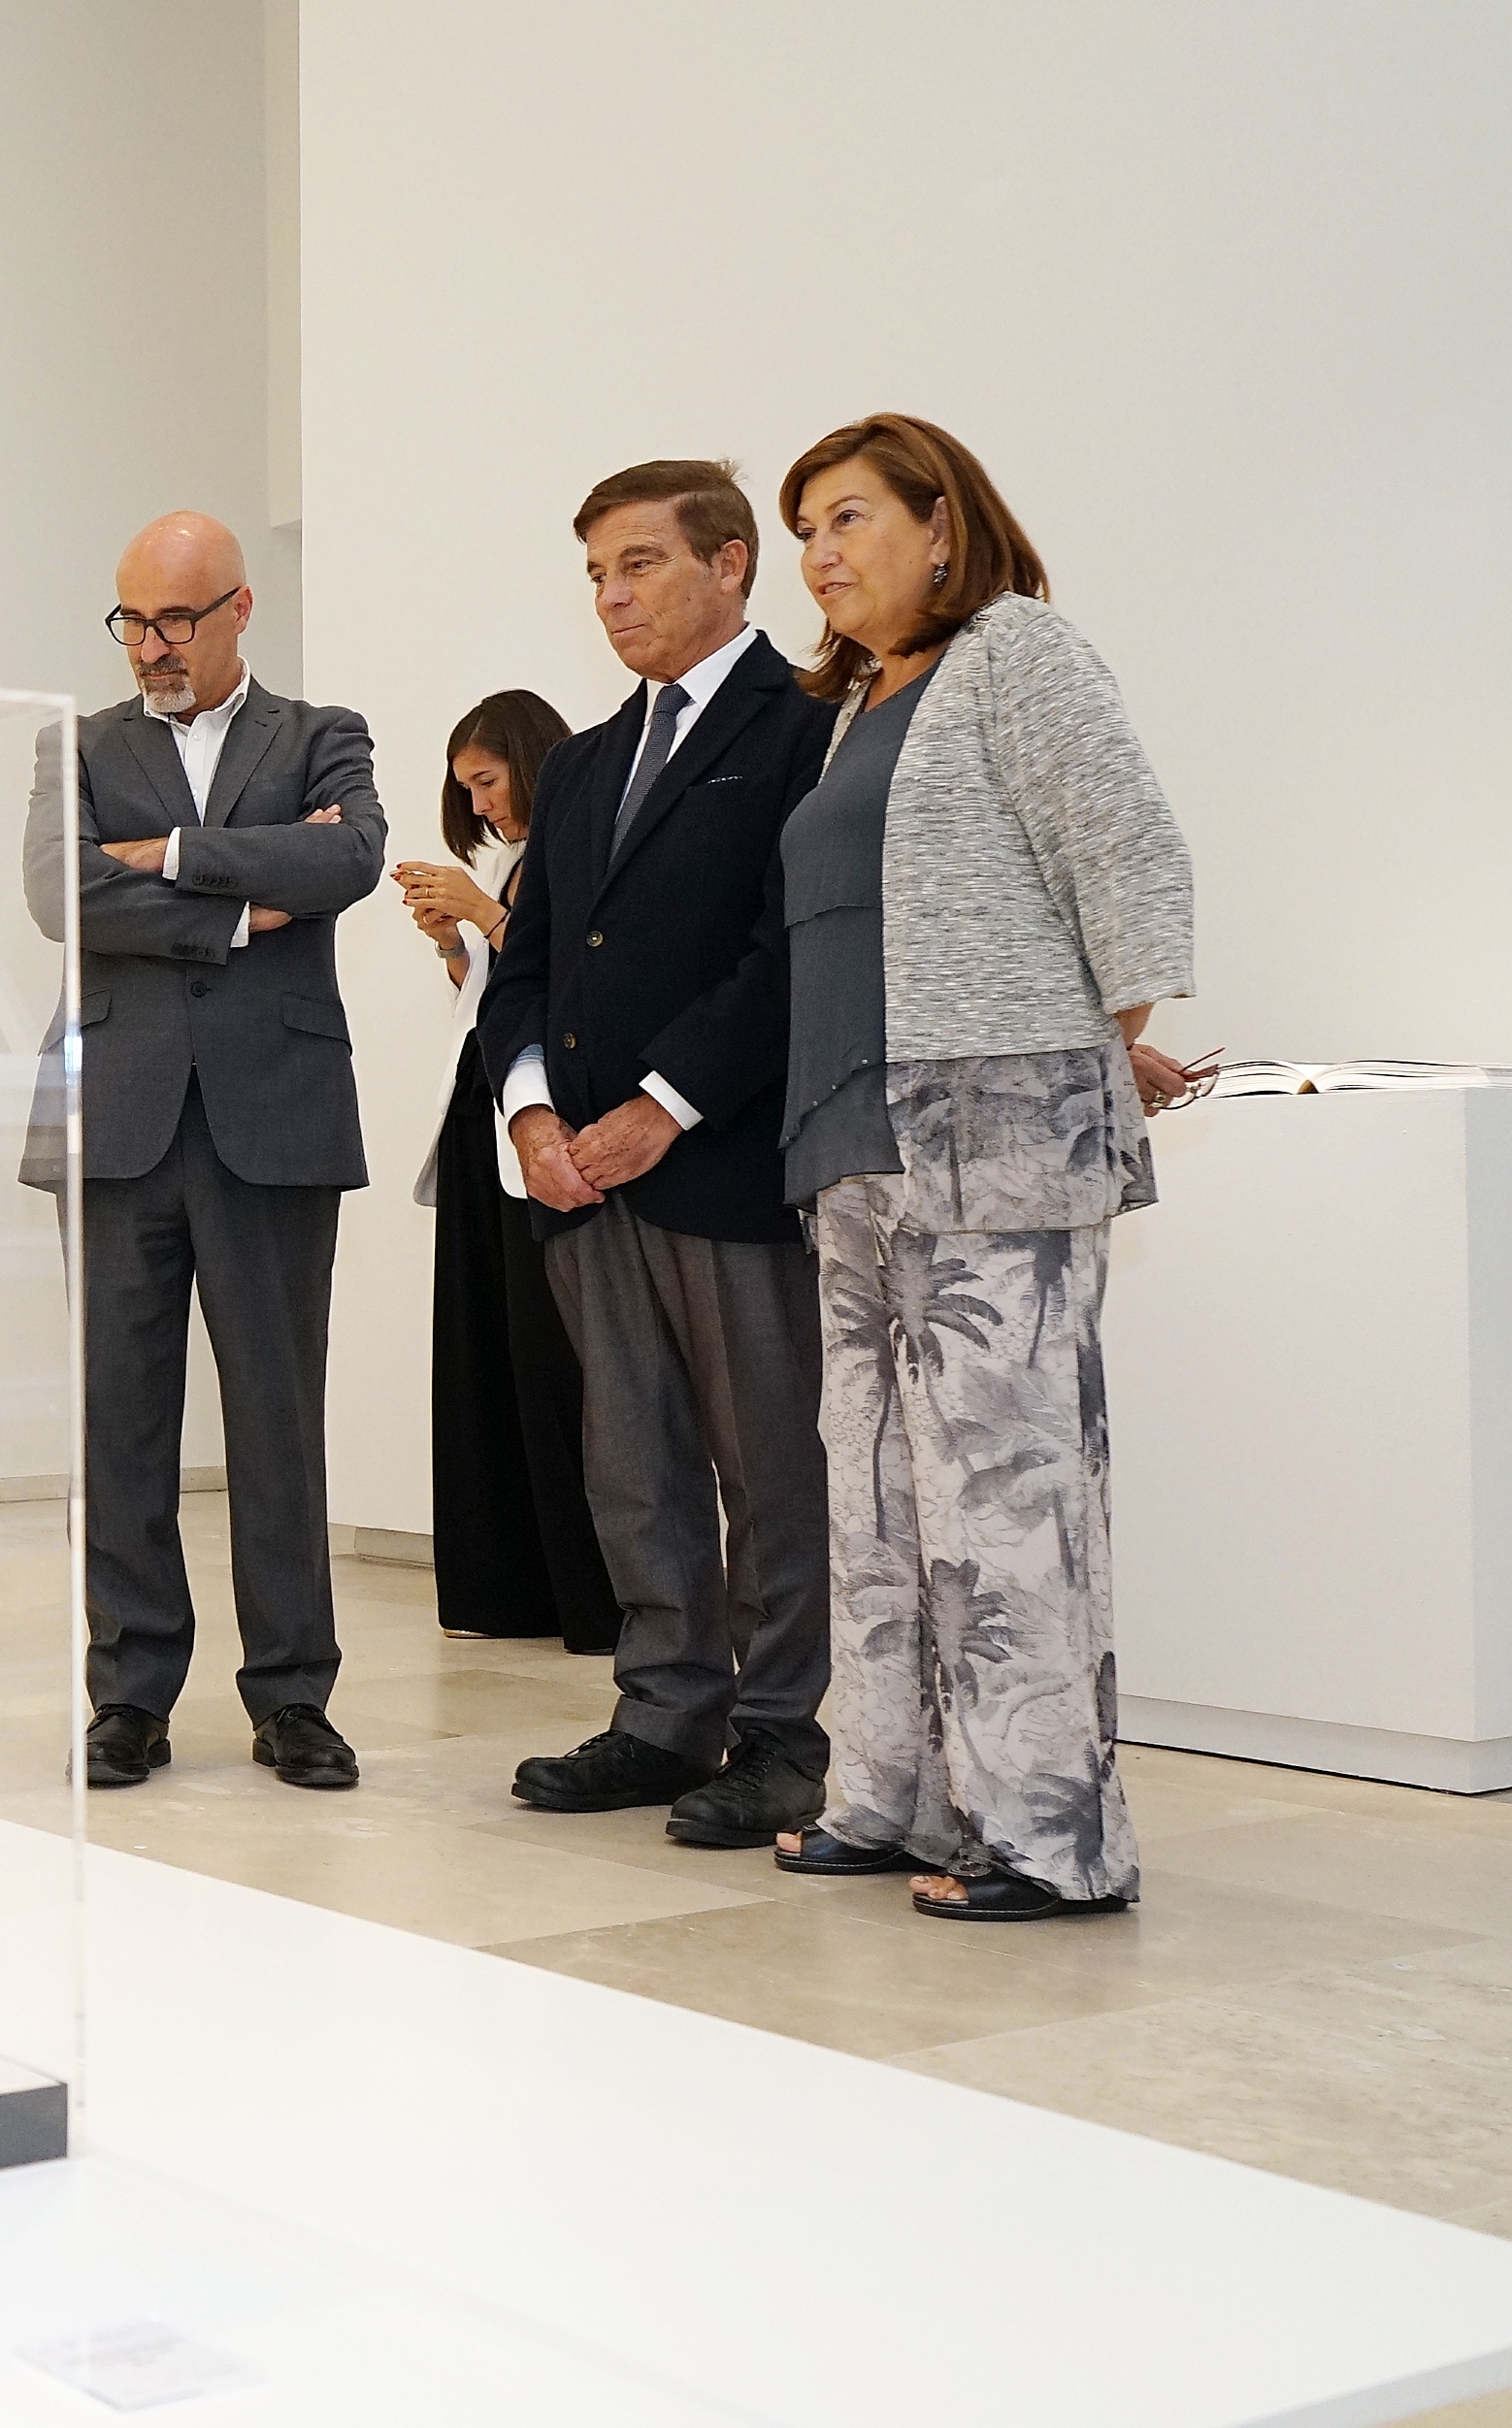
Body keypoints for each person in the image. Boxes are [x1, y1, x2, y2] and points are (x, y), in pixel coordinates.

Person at [766, 414, 1200, 1920]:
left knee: (1007, 1497)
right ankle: (893, 1797)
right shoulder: (858, 702)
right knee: (877, 1495)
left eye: (849, 517)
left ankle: (1048, 1839)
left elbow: (1129, 855)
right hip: (851, 1145)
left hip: (993, 1139)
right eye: (806, 529)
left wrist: (1086, 1052)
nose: (820, 553)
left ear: (943, 524)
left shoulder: (1018, 652)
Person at [475, 459, 834, 1848]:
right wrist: (530, 1114)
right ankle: (666, 1713)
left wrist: (663, 1105)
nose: (612, 597)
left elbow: (787, 954)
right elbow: (528, 964)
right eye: (595, 575)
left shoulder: (809, 725)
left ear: (730, 562)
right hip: (580, 1178)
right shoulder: (581, 762)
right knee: (634, 1464)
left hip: (724, 1164)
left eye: (639, 564)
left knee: (769, 1466)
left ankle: (785, 1733)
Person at [20, 510, 385, 1792]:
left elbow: (349, 856)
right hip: (112, 1115)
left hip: (274, 1113)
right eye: (131, 620)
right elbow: (59, 891)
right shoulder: (75, 746)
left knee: (277, 1417)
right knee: (118, 1421)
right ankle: (128, 1693)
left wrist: (169, 855)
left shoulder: (323, 734)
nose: (150, 646)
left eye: (175, 619)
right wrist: (235, 914)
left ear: (238, 608)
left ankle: (293, 1696)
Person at [391, 693, 617, 1653]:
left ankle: (588, 1595)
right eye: (468, 789)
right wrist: (459, 943)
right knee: (487, 1351)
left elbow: (572, 978)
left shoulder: (577, 849)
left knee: (553, 1359)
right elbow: (494, 993)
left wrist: (484, 913)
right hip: (482, 1116)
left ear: (529, 762)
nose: (480, 805)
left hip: (543, 1126)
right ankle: (507, 1587)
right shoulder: (513, 863)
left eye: (487, 781)